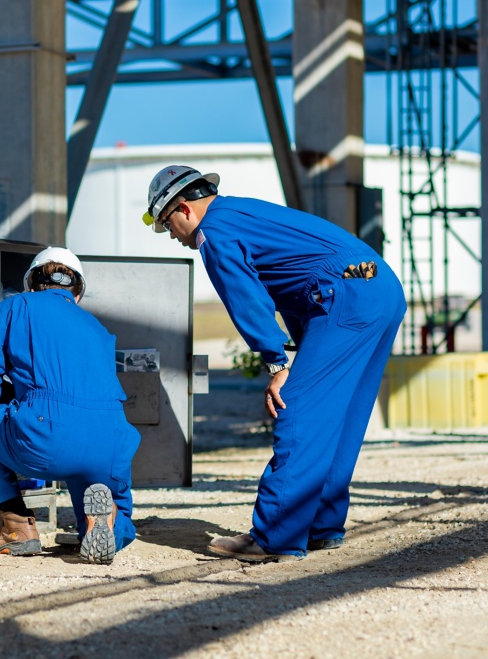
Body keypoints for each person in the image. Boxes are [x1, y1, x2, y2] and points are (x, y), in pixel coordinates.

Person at [143, 165, 406, 562]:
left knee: (297, 409)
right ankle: (321, 524)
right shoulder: (244, 212)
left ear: (183, 209)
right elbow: (301, 287)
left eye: (167, 226)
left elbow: (245, 299)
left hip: (344, 295)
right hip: (378, 286)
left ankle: (275, 536)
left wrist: (277, 366)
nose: (174, 239)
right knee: (339, 416)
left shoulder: (215, 231)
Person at [0, 247, 141, 564]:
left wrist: (13, 400)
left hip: (47, 436)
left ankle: (17, 526)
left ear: (31, 283)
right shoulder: (98, 327)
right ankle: (107, 522)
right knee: (109, 501)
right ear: (77, 292)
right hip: (110, 442)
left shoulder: (12, 307)